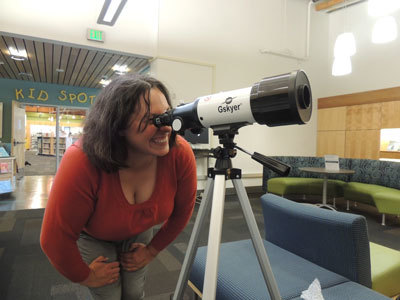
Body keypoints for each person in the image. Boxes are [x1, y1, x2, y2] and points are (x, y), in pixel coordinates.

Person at [40, 74, 197, 300]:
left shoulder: (179, 154)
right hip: (94, 234)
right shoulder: (82, 159)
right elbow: (54, 239)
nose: (166, 128)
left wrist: (152, 251)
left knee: (133, 292)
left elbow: (182, 212)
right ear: (119, 125)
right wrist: (85, 276)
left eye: (167, 117)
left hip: (138, 229)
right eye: (153, 120)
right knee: (109, 294)